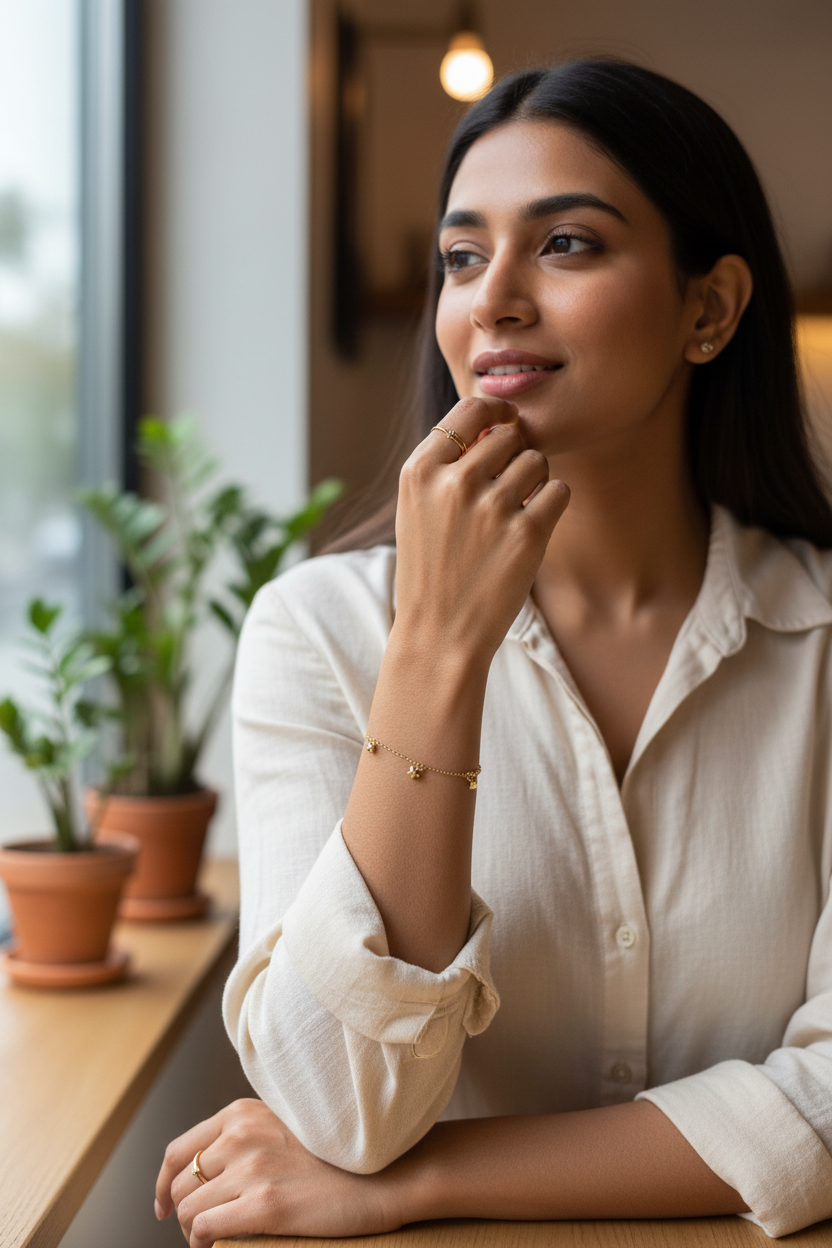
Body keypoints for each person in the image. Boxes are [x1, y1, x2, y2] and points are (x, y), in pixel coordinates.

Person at [155, 58, 832, 1245]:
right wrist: (436, 655)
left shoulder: (820, 645)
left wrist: (424, 1180)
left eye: (565, 244)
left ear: (710, 310)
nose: (493, 301)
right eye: (461, 258)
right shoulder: (318, 633)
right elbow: (336, 1106)